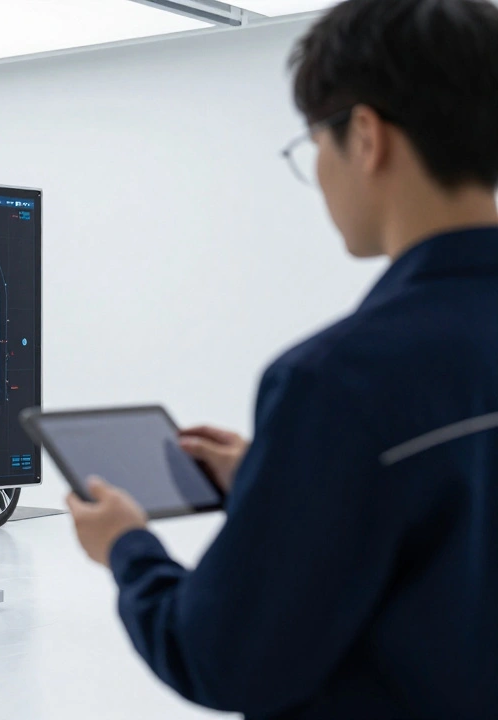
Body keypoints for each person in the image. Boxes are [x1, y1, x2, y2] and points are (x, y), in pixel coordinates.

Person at [65, 0, 498, 717]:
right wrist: (281, 480)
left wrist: (126, 545)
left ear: (366, 137)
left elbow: (220, 658)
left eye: (313, 145)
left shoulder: (338, 382)